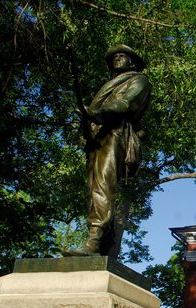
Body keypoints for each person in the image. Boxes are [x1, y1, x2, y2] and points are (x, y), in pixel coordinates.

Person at [73, 44, 151, 256]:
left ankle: (95, 240)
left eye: (122, 56)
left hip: (115, 134)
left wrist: (97, 111)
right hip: (97, 137)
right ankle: (105, 243)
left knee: (103, 185)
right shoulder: (108, 85)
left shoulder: (138, 81)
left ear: (132, 62)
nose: (117, 58)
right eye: (114, 56)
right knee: (92, 189)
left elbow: (127, 104)